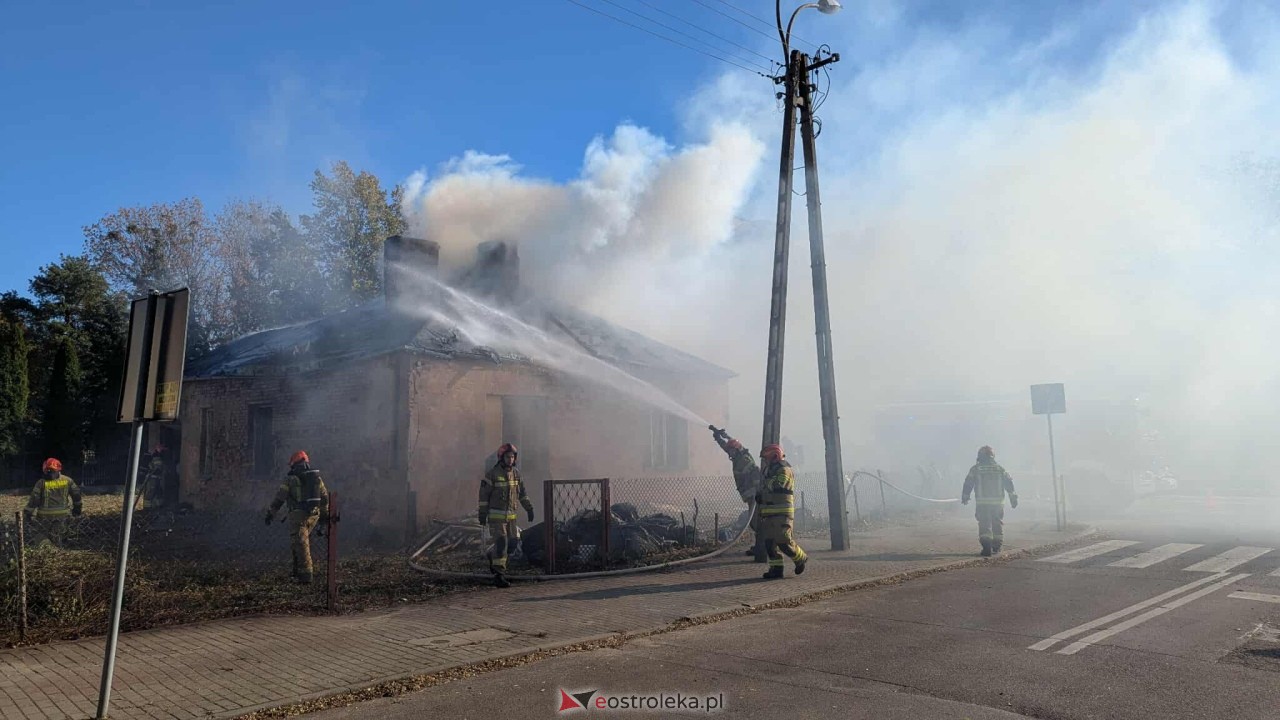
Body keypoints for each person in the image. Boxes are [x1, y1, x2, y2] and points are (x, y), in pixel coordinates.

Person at [264, 451, 330, 583]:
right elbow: (325, 498)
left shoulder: (290, 479)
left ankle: (306, 577)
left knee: (301, 545)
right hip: (313, 515)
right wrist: (323, 517)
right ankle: (297, 572)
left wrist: (271, 513)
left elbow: (279, 499)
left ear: (294, 463)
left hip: (298, 516)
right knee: (298, 543)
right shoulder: (316, 477)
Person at [479, 443, 535, 588]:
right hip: (496, 519)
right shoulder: (492, 474)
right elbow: (484, 496)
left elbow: (522, 494)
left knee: (513, 543)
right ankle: (499, 575)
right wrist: (482, 514)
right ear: (501, 457)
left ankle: (492, 556)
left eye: (512, 457)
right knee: (501, 544)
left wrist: (529, 509)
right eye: (507, 456)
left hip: (511, 519)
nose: (510, 459)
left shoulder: (516, 474)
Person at [709, 426, 765, 562]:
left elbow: (756, 473)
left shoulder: (744, 460)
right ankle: (761, 546)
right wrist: (719, 437)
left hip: (753, 496)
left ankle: (761, 547)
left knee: (755, 522)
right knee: (754, 522)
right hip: (749, 496)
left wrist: (755, 493)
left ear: (737, 450)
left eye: (733, 451)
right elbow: (728, 446)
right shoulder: (738, 456)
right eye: (730, 451)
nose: (731, 453)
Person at [758, 443, 808, 580]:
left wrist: (766, 483)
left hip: (782, 512)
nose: (765, 461)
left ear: (774, 457)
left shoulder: (784, 469)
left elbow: (777, 485)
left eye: (766, 458)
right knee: (770, 544)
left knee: (783, 541)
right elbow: (764, 486)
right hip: (769, 513)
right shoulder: (768, 470)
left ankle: (801, 558)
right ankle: (776, 569)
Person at [961, 445, 1018, 556]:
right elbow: (1009, 484)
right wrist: (1013, 498)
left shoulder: (975, 469)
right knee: (997, 524)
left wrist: (965, 496)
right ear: (992, 456)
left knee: (984, 524)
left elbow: (968, 483)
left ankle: (986, 547)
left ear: (980, 456)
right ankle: (996, 547)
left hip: (983, 504)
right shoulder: (1000, 469)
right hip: (998, 503)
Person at [26, 458, 83, 546]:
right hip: (62, 516)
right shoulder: (68, 480)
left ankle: (46, 548)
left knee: (41, 536)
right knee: (60, 536)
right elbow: (76, 495)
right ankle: (58, 547)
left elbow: (34, 499)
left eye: (51, 471)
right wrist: (77, 509)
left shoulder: (41, 483)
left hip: (44, 517)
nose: (49, 473)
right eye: (47, 471)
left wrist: (28, 513)